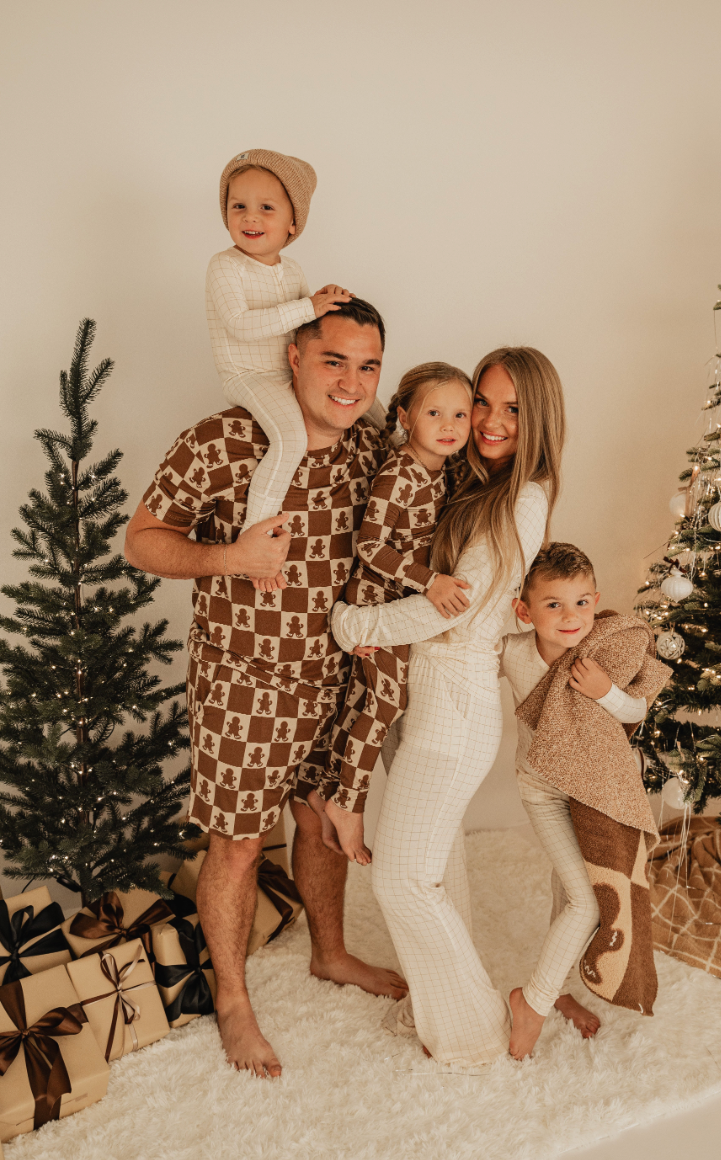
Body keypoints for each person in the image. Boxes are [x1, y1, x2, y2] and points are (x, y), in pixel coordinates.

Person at [124, 297, 407, 1081]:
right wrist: (230, 559)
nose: (350, 382)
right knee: (240, 844)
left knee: (322, 823)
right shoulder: (223, 439)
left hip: (336, 678)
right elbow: (142, 539)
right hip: (243, 682)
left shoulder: (371, 450)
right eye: (333, 360)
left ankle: (331, 952)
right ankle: (235, 1001)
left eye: (367, 365)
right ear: (292, 356)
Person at [331, 346, 565, 1069]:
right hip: (421, 697)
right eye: (482, 403)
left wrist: (354, 626)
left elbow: (454, 613)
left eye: (511, 409)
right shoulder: (467, 479)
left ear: (539, 420)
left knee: (403, 876)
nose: (489, 422)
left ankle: (471, 1034)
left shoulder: (523, 498)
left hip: (454, 704)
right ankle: (438, 1008)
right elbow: (390, 414)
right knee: (441, 865)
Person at [311, 362, 475, 865]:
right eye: (434, 413)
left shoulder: (445, 469)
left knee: (365, 698)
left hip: (401, 606)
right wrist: (430, 582)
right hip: (375, 603)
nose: (449, 426)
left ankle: (325, 789)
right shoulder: (399, 474)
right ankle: (347, 803)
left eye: (460, 415)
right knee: (384, 703)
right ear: (406, 416)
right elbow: (369, 545)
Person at [500, 543, 649, 1060]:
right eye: (554, 605)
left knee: (573, 894)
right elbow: (453, 660)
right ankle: (532, 1003)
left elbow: (635, 710)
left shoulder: (602, 652)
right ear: (525, 611)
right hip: (543, 790)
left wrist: (606, 691)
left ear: (597, 600)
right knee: (585, 904)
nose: (571, 617)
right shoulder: (512, 652)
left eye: (582, 603)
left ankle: (554, 988)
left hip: (596, 790)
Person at [207, 148, 384, 541]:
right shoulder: (225, 265)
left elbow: (312, 326)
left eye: (266, 207)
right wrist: (307, 305)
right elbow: (239, 325)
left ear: (292, 224)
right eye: (238, 206)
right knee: (291, 440)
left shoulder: (294, 271)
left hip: (291, 368)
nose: (250, 217)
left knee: (367, 397)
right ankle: (256, 537)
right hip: (250, 375)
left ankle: (401, 442)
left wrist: (330, 299)